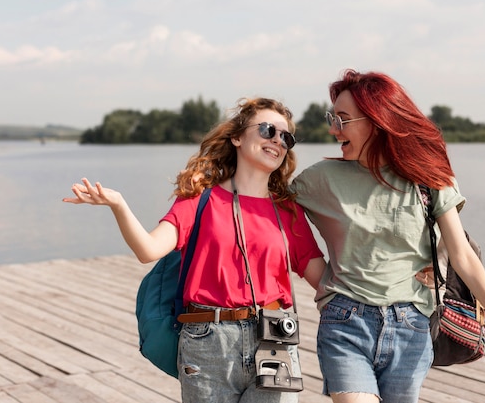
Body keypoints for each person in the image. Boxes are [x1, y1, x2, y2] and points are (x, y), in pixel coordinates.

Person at [64, 97, 326, 403]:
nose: (278, 141)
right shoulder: (199, 200)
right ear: (237, 137)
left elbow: (324, 280)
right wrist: (119, 204)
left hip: (274, 341)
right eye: (268, 130)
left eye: (287, 137)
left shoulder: (288, 212)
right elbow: (148, 250)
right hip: (207, 341)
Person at [290, 69, 485, 403]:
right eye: (333, 118)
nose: (333, 129)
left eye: (342, 120)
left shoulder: (429, 178)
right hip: (345, 323)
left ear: (376, 120)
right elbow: (265, 211)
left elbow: (463, 256)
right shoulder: (320, 179)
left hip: (412, 328)